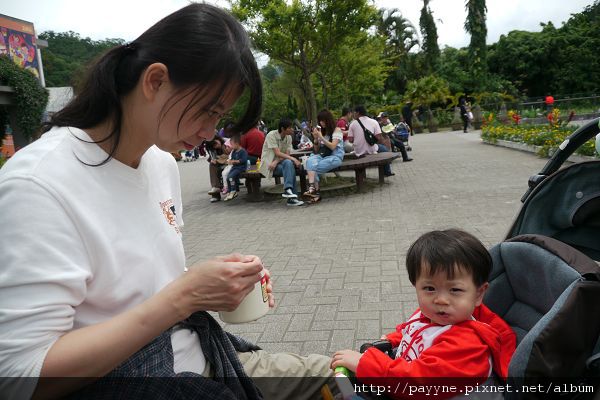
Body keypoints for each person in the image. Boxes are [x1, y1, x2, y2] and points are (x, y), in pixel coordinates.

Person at [0, 4, 332, 400]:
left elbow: (142, 283)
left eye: (220, 116)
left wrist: (216, 284)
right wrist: (185, 296)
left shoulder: (160, 163)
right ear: (155, 81)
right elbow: (20, 377)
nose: (211, 131)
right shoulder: (38, 185)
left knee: (356, 377)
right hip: (146, 384)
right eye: (208, 111)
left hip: (206, 359)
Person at [331, 229, 516, 397]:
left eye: (455, 290)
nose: (440, 300)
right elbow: (412, 330)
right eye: (429, 288)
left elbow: (416, 382)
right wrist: (390, 341)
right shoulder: (431, 315)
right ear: (415, 286)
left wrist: (365, 364)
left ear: (479, 294)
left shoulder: (468, 347)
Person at [258, 118, 304, 206]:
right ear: (283, 129)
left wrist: (277, 161)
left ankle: (288, 190)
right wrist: (293, 159)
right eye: (290, 128)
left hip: (279, 163)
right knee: (290, 167)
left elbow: (286, 154)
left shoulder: (289, 137)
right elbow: (277, 153)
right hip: (269, 165)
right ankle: (292, 199)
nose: (292, 129)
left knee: (288, 164)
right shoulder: (271, 135)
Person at [302, 109, 344, 204]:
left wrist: (320, 137)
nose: (321, 123)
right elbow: (317, 150)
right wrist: (316, 139)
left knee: (312, 169)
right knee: (310, 161)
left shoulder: (337, 130)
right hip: (323, 156)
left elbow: (333, 146)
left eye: (323, 120)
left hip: (335, 157)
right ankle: (312, 188)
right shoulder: (323, 132)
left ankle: (315, 192)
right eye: (320, 121)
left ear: (328, 120)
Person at [347, 105, 395, 176]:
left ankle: (362, 175)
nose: (353, 114)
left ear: (358, 113)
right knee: (385, 149)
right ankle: (387, 172)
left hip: (358, 151)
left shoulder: (352, 124)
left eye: (354, 112)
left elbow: (350, 140)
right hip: (372, 149)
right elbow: (378, 137)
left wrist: (358, 139)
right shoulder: (374, 122)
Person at [223, 134, 248, 201]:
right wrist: (230, 161)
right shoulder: (233, 151)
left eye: (232, 144)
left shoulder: (243, 151)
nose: (231, 146)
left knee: (231, 177)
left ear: (237, 143)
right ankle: (229, 191)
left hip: (241, 168)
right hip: (235, 167)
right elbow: (232, 159)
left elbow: (243, 160)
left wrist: (235, 161)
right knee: (228, 178)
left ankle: (233, 191)